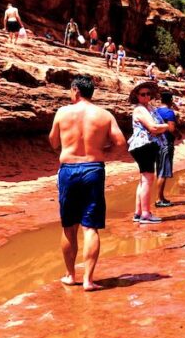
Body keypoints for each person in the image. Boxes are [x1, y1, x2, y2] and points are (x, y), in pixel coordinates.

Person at [48, 75, 126, 291]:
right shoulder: (104, 115)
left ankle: (70, 275)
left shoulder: (62, 113)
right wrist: (101, 150)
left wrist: (68, 143)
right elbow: (120, 142)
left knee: (69, 227)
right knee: (90, 228)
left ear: (75, 91)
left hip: (68, 170)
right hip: (93, 168)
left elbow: (53, 142)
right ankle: (88, 280)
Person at [127, 82, 170, 225]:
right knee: (147, 180)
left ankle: (138, 213)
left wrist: (161, 127)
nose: (146, 96)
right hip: (144, 145)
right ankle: (145, 214)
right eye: (142, 94)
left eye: (148, 94)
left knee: (143, 180)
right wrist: (165, 126)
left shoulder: (148, 108)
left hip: (143, 146)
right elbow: (153, 127)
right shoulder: (140, 109)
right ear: (137, 96)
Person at [154, 91, 178, 207]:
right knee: (163, 172)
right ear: (170, 100)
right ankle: (159, 199)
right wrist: (179, 134)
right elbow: (172, 129)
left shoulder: (156, 111)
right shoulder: (169, 112)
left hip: (157, 143)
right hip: (166, 144)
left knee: (159, 171)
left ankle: (161, 197)